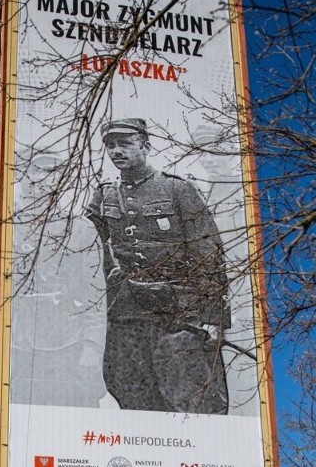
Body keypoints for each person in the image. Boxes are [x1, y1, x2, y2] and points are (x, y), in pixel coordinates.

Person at [85, 118, 231, 414]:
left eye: (125, 144)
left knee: (189, 393)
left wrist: (214, 317)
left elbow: (208, 254)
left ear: (146, 146)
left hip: (176, 310)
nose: (116, 151)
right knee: (130, 389)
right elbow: (89, 254)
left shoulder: (177, 189)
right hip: (127, 313)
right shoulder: (103, 196)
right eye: (110, 145)